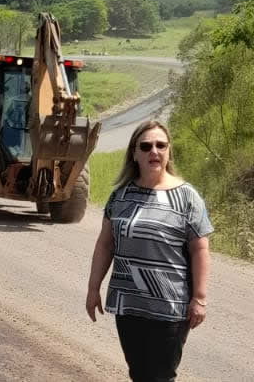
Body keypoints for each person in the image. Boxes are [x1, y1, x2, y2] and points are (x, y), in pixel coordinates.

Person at [86, 120, 213, 382]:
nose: (153, 151)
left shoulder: (187, 198)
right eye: (145, 146)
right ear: (134, 153)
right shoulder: (120, 196)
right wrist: (92, 288)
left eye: (160, 145)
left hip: (169, 306)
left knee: (160, 376)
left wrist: (199, 298)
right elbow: (105, 244)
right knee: (139, 374)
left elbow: (200, 249)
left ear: (168, 151)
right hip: (128, 303)